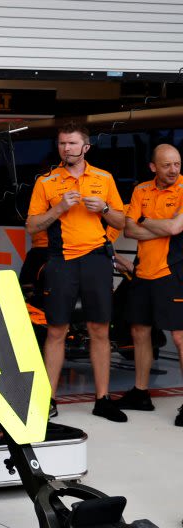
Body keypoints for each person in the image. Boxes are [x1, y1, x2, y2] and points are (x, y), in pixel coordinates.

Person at [26, 123, 128, 421]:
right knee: (57, 330)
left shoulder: (103, 178)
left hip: (96, 260)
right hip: (61, 261)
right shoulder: (46, 182)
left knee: (99, 330)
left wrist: (106, 208)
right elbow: (32, 226)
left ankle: (102, 398)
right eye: (61, 144)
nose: (66, 148)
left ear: (86, 147)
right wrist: (58, 208)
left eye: (71, 143)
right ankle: (47, 399)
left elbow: (122, 222)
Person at [116, 143, 183, 426]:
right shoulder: (141, 190)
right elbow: (128, 228)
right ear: (153, 167)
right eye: (166, 165)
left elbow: (174, 228)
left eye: (177, 164)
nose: (173, 170)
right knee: (139, 331)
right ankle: (140, 393)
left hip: (174, 272)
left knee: (180, 337)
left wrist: (144, 220)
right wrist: (154, 223)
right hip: (143, 273)